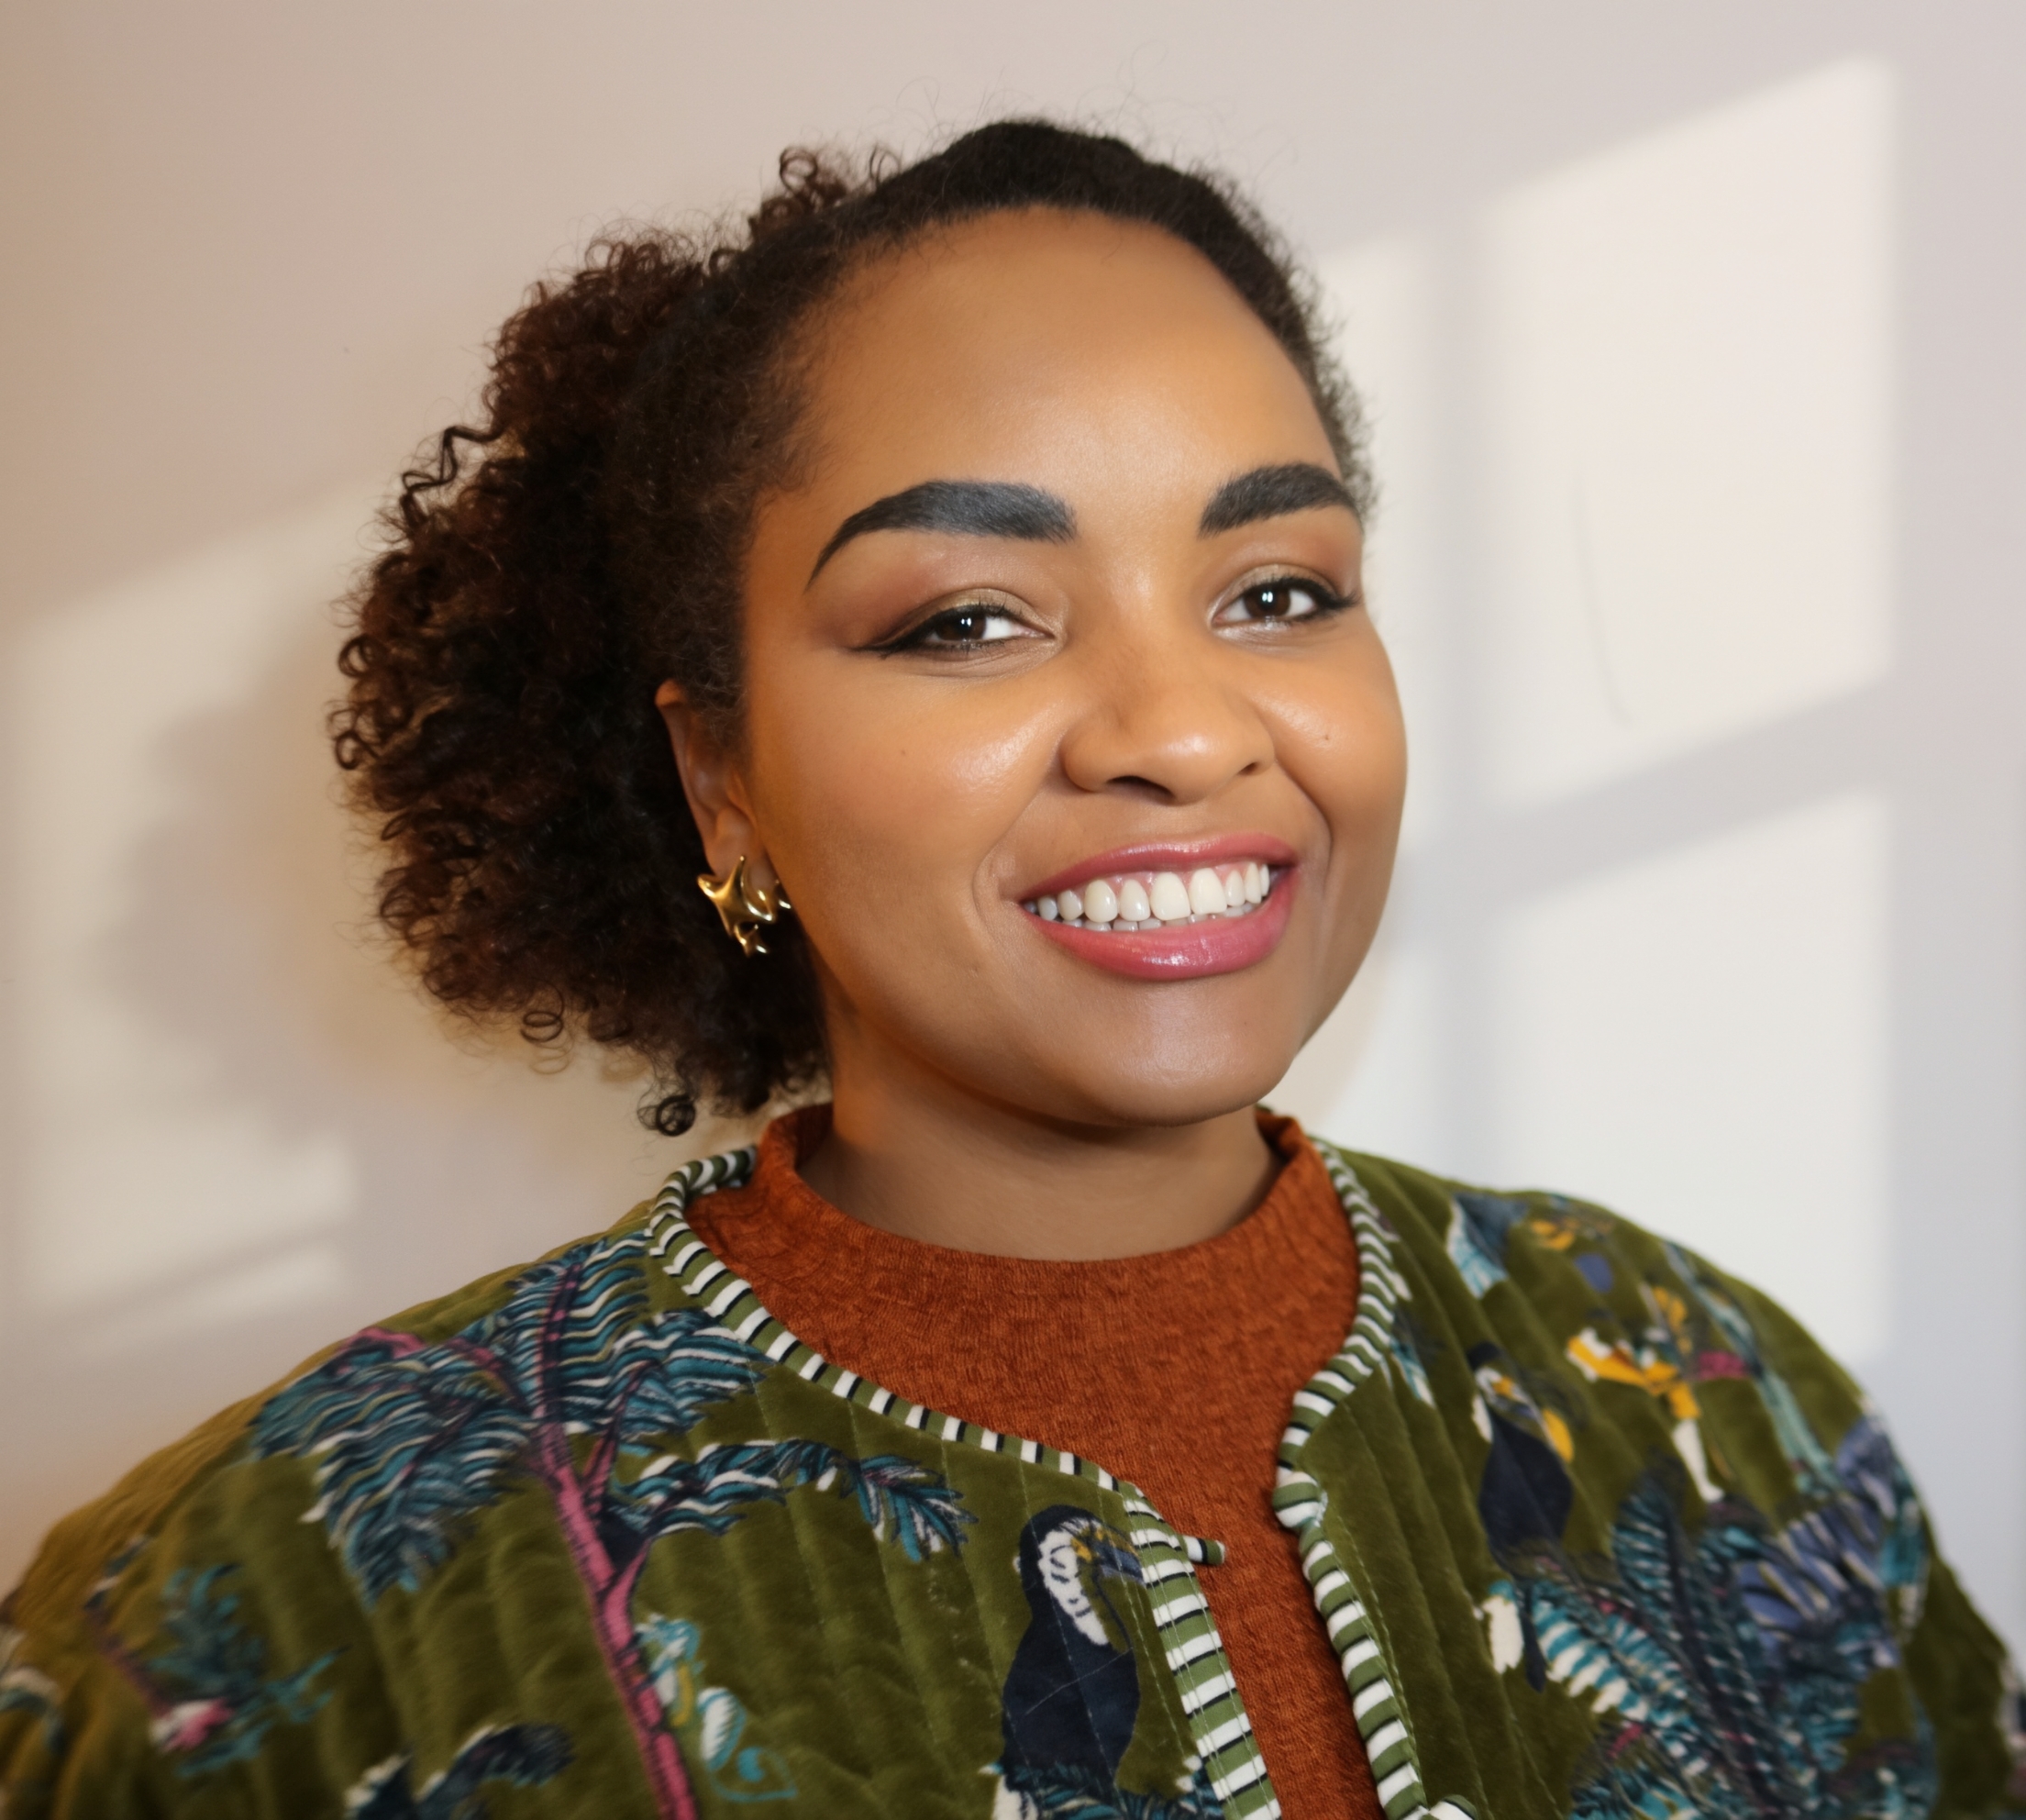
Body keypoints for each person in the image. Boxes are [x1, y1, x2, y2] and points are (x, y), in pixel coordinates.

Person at [1, 120, 2019, 1820]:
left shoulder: (1693, 1390)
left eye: (1276, 588)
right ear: (724, 784)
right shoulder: (274, 1600)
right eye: (968, 617)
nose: (1182, 724)